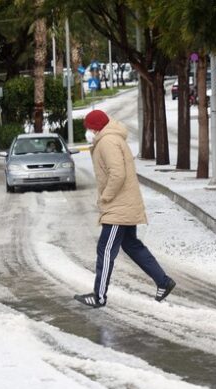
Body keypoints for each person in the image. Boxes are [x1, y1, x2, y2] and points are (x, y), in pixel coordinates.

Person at [74, 110, 176, 308]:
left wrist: (106, 198)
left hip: (118, 208)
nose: (87, 131)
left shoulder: (106, 142)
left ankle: (99, 296)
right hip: (125, 204)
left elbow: (117, 174)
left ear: (95, 127)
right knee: (131, 245)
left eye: (88, 128)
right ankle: (163, 282)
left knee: (105, 250)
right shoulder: (112, 138)